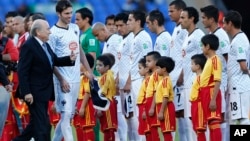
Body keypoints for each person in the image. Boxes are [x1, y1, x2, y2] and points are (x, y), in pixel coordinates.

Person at [13, 19, 76, 141]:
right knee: (43, 125)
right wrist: (26, 92)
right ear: (38, 32)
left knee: (36, 124)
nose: (50, 32)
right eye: (47, 29)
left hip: (43, 92)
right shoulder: (29, 46)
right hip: (33, 93)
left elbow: (53, 61)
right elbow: (22, 70)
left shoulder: (45, 45)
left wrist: (70, 59)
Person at [48, 1, 94, 141]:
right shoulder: (53, 33)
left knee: (68, 116)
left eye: (71, 13)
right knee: (66, 115)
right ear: (58, 14)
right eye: (66, 13)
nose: (70, 16)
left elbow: (79, 50)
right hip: (63, 80)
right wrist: (61, 79)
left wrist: (88, 70)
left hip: (76, 79)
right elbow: (51, 60)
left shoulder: (74, 28)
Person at [200, 5, 230, 141]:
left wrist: (228, 81)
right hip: (213, 82)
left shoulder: (221, 36)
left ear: (212, 19)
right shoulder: (211, 36)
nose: (202, 21)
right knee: (214, 118)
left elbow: (228, 59)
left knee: (221, 117)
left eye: (204, 18)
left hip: (221, 80)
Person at [179, 6, 205, 141]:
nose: (180, 20)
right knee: (189, 120)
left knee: (197, 122)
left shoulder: (199, 36)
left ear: (192, 19)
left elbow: (205, 59)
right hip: (187, 84)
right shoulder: (187, 36)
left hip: (196, 84)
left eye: (183, 17)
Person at [127, 10, 153, 141]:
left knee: (141, 114)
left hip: (141, 80)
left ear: (138, 22)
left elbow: (148, 60)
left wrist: (146, 80)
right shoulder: (135, 37)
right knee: (136, 115)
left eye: (130, 20)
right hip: (135, 79)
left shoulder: (143, 37)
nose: (127, 23)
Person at [223, 10, 250, 125]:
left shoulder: (239, 40)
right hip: (237, 85)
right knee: (237, 117)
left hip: (239, 86)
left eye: (224, 23)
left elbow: (243, 66)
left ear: (230, 23)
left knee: (242, 117)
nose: (223, 26)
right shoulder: (239, 38)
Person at [114, 12, 135, 141]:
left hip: (130, 85)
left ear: (128, 24)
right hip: (122, 85)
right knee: (127, 120)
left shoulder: (132, 39)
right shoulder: (123, 41)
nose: (118, 29)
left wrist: (128, 81)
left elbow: (135, 62)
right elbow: (121, 62)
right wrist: (117, 78)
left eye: (121, 25)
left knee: (133, 120)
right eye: (117, 26)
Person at [168, 1, 187, 140]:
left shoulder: (185, 29)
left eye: (172, 11)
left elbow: (188, 53)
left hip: (182, 77)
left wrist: (182, 73)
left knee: (183, 113)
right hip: (173, 77)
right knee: (177, 113)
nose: (169, 14)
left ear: (181, 11)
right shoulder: (176, 29)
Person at [200, 34, 222, 141]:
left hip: (211, 92)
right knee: (210, 123)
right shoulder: (208, 60)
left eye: (202, 46)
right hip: (205, 93)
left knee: (214, 123)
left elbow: (217, 80)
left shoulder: (215, 60)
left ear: (207, 46)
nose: (202, 48)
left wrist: (213, 99)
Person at [0, 19, 19, 141]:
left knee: (1, 120)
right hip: (4, 84)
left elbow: (15, 56)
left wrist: (1, 57)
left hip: (2, 85)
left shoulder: (7, 42)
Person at [74, 53, 96, 141]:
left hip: (85, 103)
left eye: (80, 63)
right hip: (79, 103)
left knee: (87, 127)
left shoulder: (87, 76)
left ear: (84, 64)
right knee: (80, 127)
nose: (78, 65)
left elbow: (87, 92)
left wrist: (82, 107)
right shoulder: (81, 76)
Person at [96, 55, 118, 141]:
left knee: (109, 128)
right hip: (107, 103)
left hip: (106, 104)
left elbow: (103, 93)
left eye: (100, 65)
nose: (97, 67)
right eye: (96, 65)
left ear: (107, 67)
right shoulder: (103, 77)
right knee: (106, 128)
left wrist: (99, 108)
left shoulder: (106, 77)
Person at [75, 7, 101, 76]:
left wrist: (90, 75)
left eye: (78, 19)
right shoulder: (84, 35)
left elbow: (92, 56)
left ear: (86, 19)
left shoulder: (91, 35)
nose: (75, 22)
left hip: (90, 75)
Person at [155, 56, 176, 141]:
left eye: (158, 68)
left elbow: (165, 97)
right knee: (164, 131)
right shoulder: (163, 80)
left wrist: (161, 112)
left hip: (165, 108)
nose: (156, 70)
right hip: (162, 107)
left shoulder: (165, 81)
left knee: (167, 132)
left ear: (164, 69)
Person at [189, 54, 207, 141]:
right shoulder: (196, 78)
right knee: (195, 128)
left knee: (200, 129)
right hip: (194, 104)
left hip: (199, 104)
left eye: (192, 64)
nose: (190, 66)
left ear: (198, 66)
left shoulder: (201, 78)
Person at [145, 51, 161, 141]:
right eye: (146, 61)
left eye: (149, 61)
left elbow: (156, 91)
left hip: (153, 101)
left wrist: (152, 107)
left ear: (156, 62)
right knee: (150, 127)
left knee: (154, 127)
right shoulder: (152, 75)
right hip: (149, 100)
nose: (146, 63)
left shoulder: (157, 75)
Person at [137, 57, 151, 140]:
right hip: (141, 107)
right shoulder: (144, 80)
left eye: (140, 68)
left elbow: (148, 96)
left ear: (146, 69)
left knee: (148, 131)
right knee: (146, 131)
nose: (138, 70)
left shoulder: (149, 80)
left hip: (145, 108)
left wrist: (145, 111)